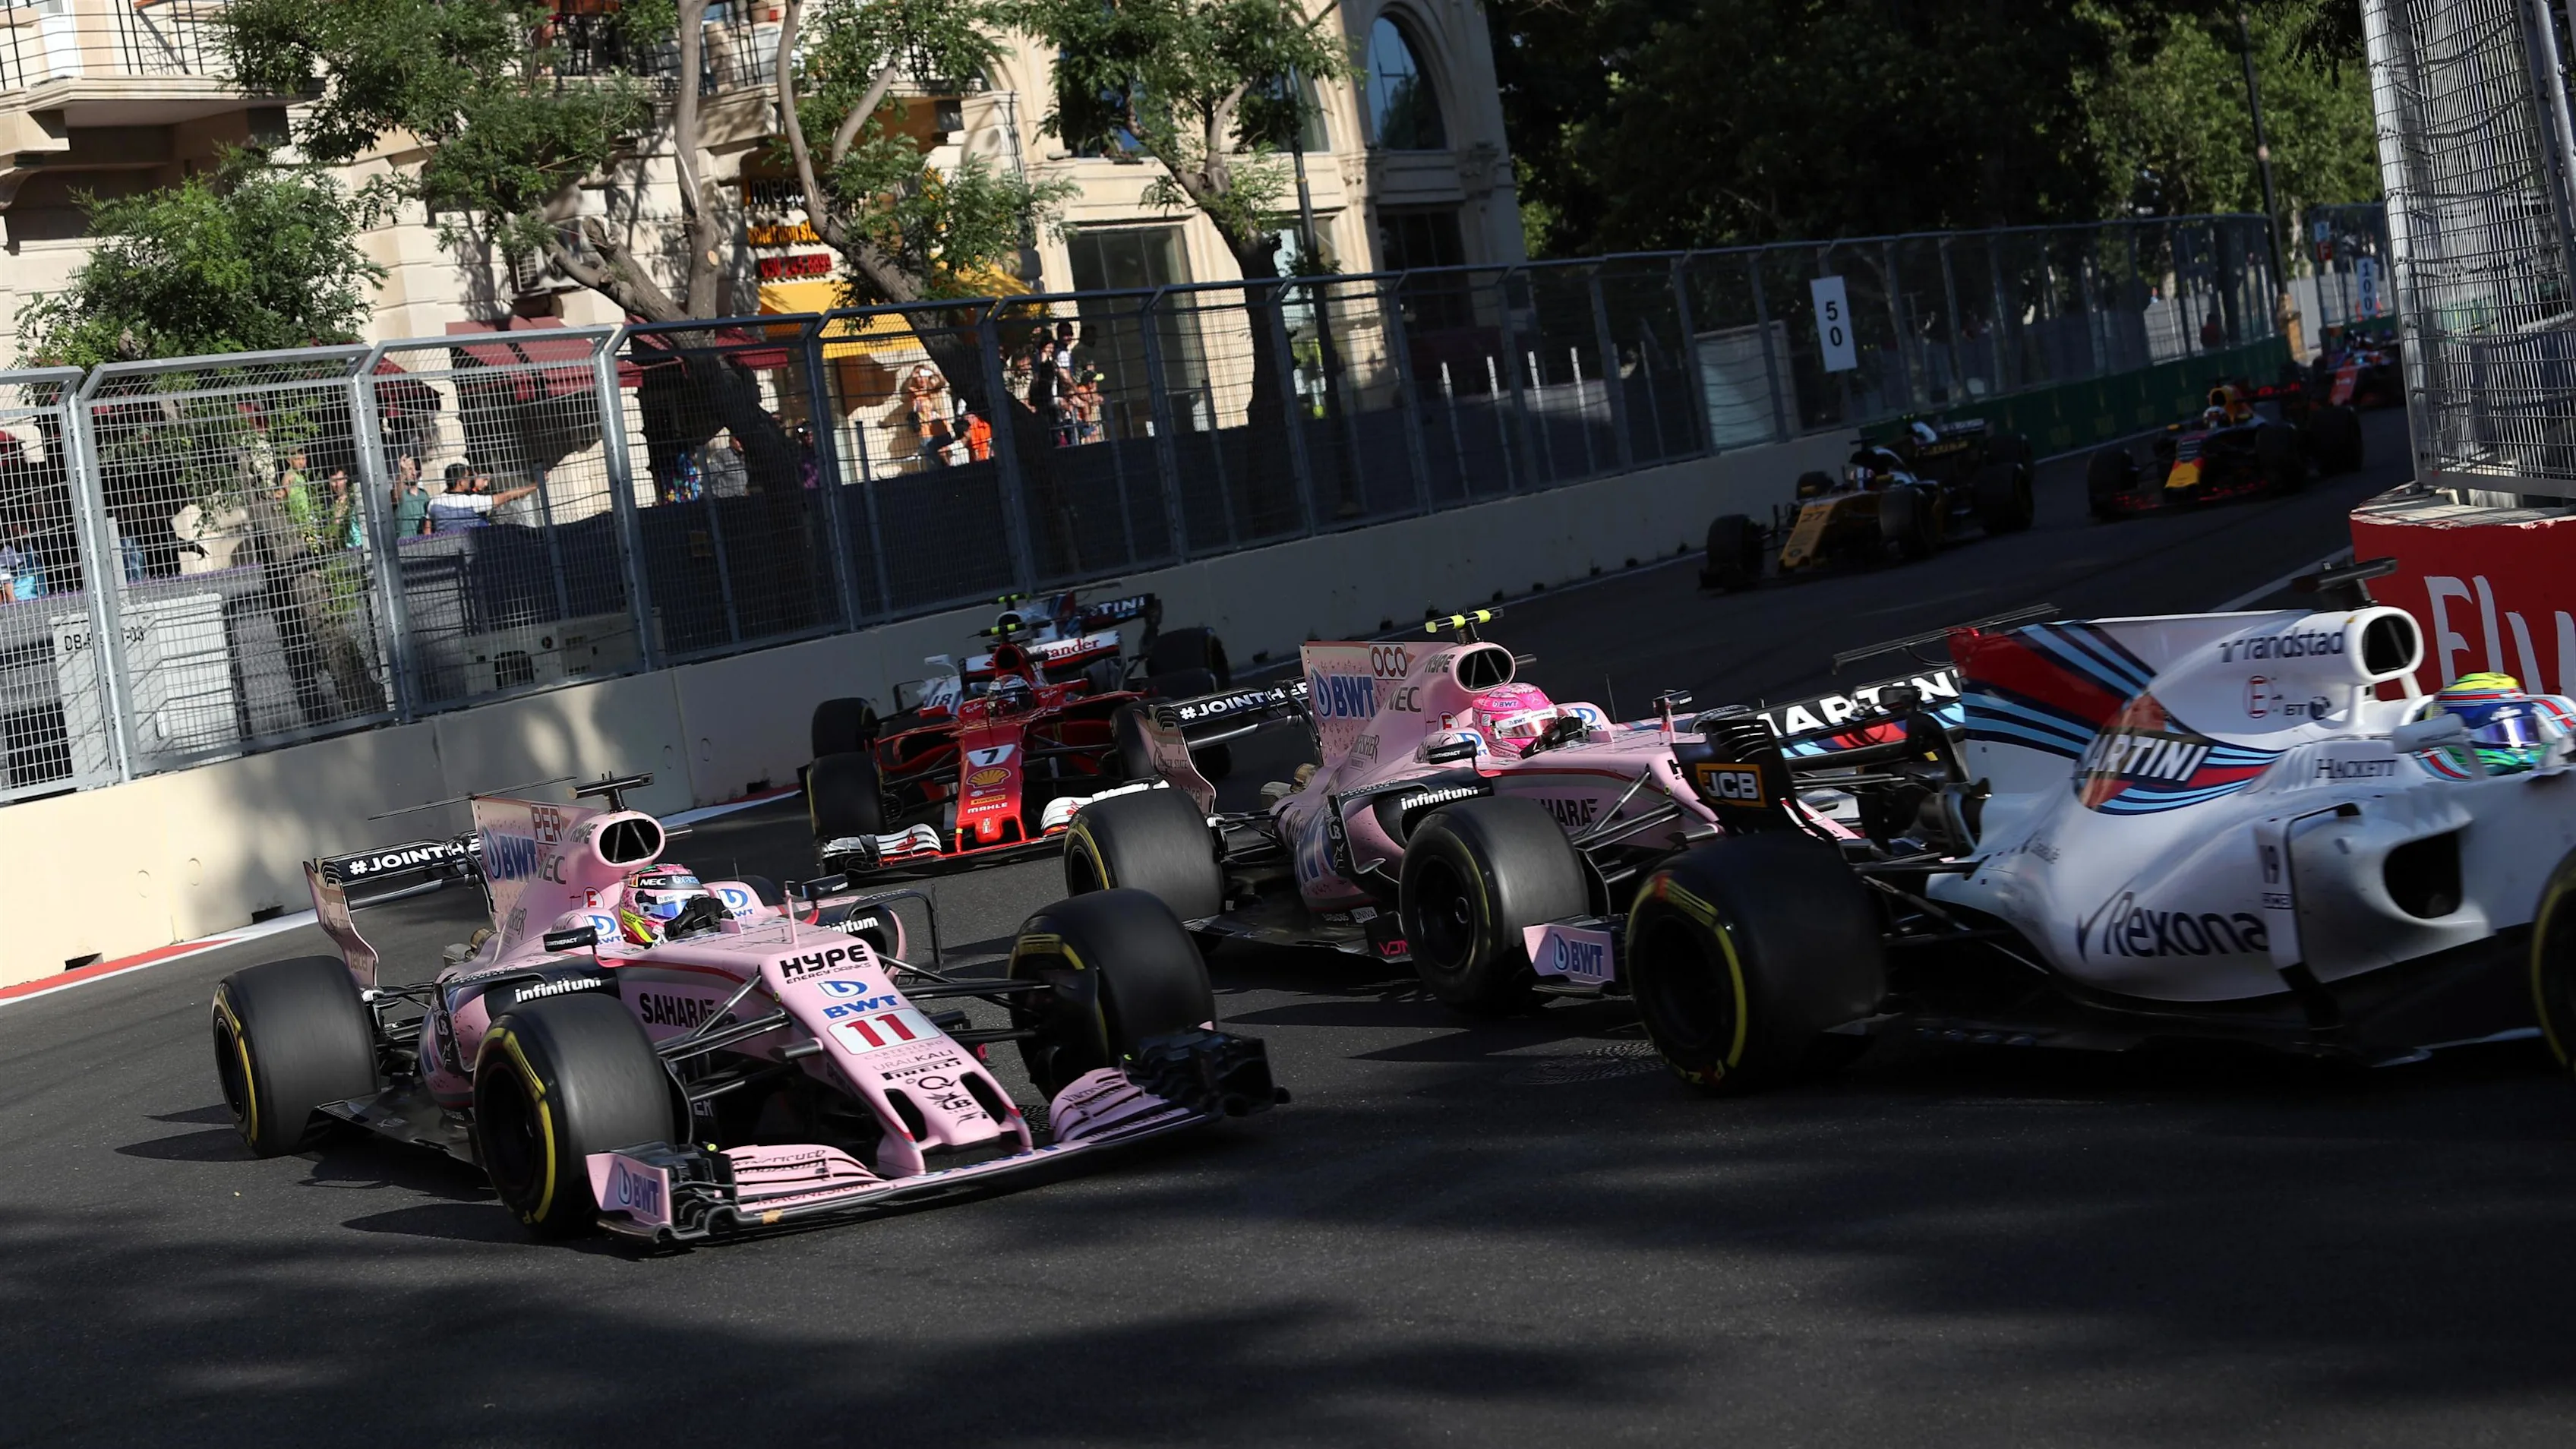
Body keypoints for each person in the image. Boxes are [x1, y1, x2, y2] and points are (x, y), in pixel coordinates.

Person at [426, 467, 540, 532]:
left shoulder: (434, 502)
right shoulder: (472, 502)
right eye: (468, 477)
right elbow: (507, 496)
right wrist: (535, 486)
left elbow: (427, 530)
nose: (471, 479)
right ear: (460, 482)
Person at [391, 454, 431, 538]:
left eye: (416, 470)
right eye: (410, 469)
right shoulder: (401, 493)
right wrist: (403, 473)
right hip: (405, 543)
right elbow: (396, 496)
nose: (414, 473)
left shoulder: (424, 494)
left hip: (423, 542)